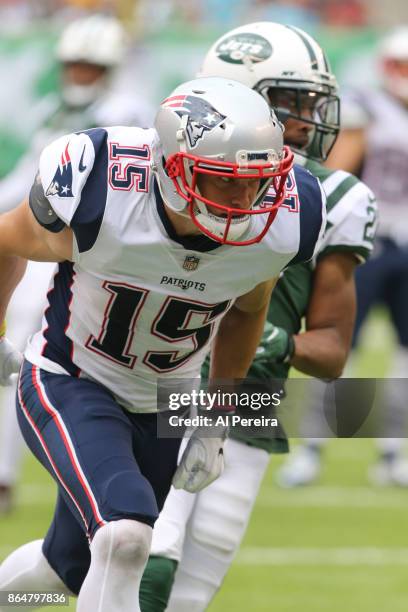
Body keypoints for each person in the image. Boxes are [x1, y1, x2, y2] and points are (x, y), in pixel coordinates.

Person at [0, 74, 326, 612]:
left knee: (66, 572)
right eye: (225, 180)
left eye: (258, 181)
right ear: (174, 167)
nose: (247, 199)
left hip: (163, 402)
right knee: (126, 538)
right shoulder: (104, 189)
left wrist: (216, 418)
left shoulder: (283, 221)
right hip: (72, 378)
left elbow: (249, 306)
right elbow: (7, 239)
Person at [139, 22, 377, 612]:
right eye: (294, 102)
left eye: (311, 102)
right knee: (145, 556)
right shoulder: (164, 170)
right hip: (160, 381)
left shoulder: (334, 197)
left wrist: (275, 341)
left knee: (191, 587)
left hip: (247, 401)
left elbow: (331, 354)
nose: (309, 118)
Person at [0, 13, 154, 514]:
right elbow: (25, 179)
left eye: (91, 67)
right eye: (75, 65)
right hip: (44, 240)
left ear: (108, 70)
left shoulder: (124, 113)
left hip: (81, 248)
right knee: (17, 345)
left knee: (36, 343)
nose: (80, 75)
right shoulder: (56, 110)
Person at [280, 25, 408, 487]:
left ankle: (394, 454)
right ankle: (313, 450)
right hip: (369, 243)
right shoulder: (366, 110)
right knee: (339, 349)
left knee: (404, 354)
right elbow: (335, 176)